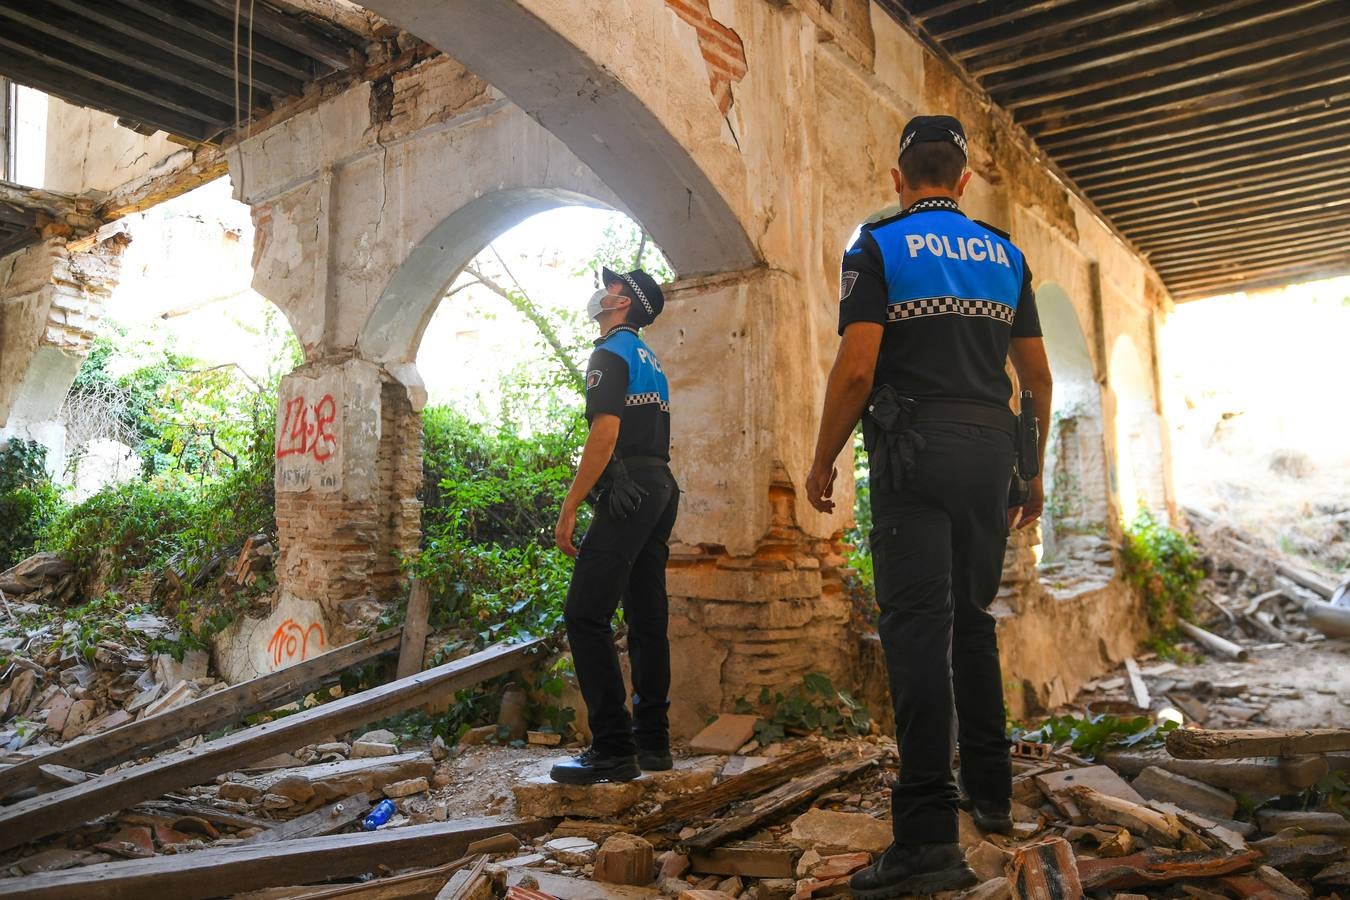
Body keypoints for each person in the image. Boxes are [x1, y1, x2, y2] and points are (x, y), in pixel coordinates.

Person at [804, 115, 1053, 897]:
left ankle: (924, 839)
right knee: (974, 621)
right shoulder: (1006, 255)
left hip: (914, 452)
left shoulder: (877, 247)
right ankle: (992, 795)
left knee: (916, 633)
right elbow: (1039, 381)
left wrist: (823, 458)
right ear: (965, 179)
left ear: (899, 178)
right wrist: (1031, 471)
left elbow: (856, 368)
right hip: (989, 454)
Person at [550, 266, 680, 785]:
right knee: (647, 617)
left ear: (623, 304)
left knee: (585, 615)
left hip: (630, 492)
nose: (603, 293)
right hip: (661, 487)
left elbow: (606, 431)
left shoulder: (610, 352)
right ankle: (653, 744)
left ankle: (611, 748)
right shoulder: (651, 358)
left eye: (613, 288)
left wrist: (570, 505)